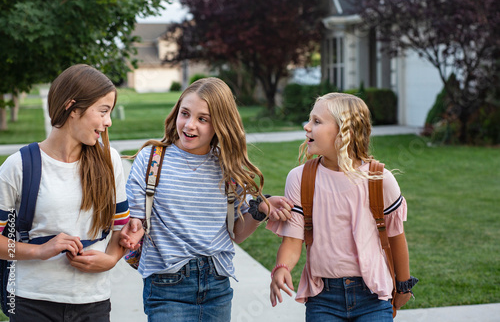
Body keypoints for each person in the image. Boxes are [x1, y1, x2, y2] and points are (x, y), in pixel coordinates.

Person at [120, 77, 293, 322]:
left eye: (203, 119)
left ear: (220, 125)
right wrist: (134, 229)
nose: (190, 125)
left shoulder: (227, 166)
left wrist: (261, 209)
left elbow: (237, 234)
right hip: (167, 285)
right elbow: (134, 219)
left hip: (217, 284)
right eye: (185, 114)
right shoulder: (151, 160)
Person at [267, 93, 417, 321]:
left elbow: (396, 238)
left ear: (344, 132)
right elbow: (292, 240)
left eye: (317, 121)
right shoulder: (300, 178)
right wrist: (282, 267)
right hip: (323, 298)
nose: (307, 127)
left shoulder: (380, 179)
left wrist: (403, 286)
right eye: (310, 119)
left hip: (373, 297)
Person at [0, 64, 130, 321]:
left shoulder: (109, 161)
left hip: (93, 302)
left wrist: (112, 258)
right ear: (73, 107)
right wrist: (39, 251)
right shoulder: (19, 166)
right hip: (31, 302)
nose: (109, 121)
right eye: (103, 111)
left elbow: (120, 228)